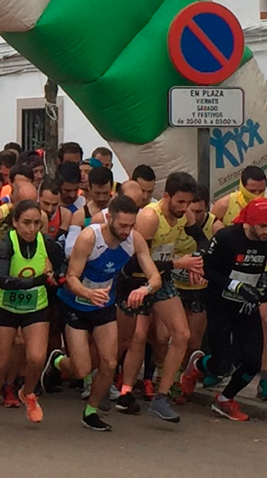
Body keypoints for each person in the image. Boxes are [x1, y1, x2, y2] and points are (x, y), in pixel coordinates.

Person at [48, 195, 160, 432]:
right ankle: (57, 362)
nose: (127, 231)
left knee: (109, 362)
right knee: (81, 370)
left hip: (104, 306)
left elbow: (155, 277)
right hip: (76, 305)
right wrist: (87, 294)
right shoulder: (90, 237)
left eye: (131, 226)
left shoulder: (134, 239)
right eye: (122, 225)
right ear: (109, 218)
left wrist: (145, 288)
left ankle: (91, 411)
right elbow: (71, 278)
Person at [180, 198, 267, 422]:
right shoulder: (227, 237)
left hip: (246, 304)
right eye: (262, 226)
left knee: (251, 361)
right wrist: (234, 285)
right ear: (249, 223)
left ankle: (225, 398)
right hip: (220, 300)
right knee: (221, 364)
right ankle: (198, 365)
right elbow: (207, 269)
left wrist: (262, 295)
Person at [116, 172, 201, 422]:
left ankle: (162, 396)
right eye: (180, 203)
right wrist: (177, 263)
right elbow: (135, 264)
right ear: (166, 197)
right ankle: (124, 390)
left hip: (161, 279)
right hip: (135, 282)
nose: (184, 208)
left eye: (188, 203)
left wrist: (198, 264)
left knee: (182, 334)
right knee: (135, 337)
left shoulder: (185, 215)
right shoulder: (150, 218)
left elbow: (204, 241)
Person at [0, 200, 63, 427]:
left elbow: (64, 263)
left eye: (37, 223)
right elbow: (3, 280)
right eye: (26, 223)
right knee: (1, 361)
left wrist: (59, 275)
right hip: (5, 307)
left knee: (36, 357)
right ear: (15, 222)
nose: (31, 228)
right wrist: (39, 280)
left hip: (35, 307)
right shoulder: (7, 243)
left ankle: (28, 393)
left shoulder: (46, 242)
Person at [211, 165, 267, 401]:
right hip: (232, 273)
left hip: (262, 270)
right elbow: (214, 244)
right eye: (252, 191)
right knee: (223, 334)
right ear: (241, 186)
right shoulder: (226, 204)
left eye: (261, 190)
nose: (257, 196)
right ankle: (216, 367)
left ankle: (264, 379)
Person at [174, 185, 215, 359]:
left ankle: (185, 377)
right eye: (192, 211)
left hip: (200, 290)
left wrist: (200, 261)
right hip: (174, 285)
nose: (195, 217)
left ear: (206, 207)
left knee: (193, 341)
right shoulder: (176, 221)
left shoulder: (215, 227)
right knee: (168, 337)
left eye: (200, 212)